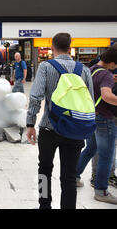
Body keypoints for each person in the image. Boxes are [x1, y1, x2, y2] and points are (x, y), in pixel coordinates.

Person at [26, 33, 93, 209]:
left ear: (52, 47)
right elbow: (90, 102)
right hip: (75, 130)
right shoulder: (84, 70)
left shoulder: (46, 67)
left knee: (44, 170)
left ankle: (44, 206)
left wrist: (30, 123)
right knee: (69, 176)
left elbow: (35, 97)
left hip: (49, 129)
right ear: (70, 47)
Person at [75, 46, 117, 204]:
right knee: (106, 156)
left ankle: (74, 176)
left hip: (91, 116)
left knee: (90, 149)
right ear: (112, 63)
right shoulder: (106, 74)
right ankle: (101, 191)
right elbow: (106, 96)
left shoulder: (91, 69)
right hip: (105, 119)